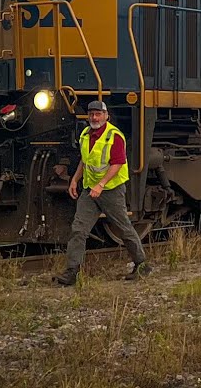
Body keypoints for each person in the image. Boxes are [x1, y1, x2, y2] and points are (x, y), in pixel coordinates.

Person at [54, 100, 151, 285]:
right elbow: (85, 160)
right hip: (90, 190)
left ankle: (141, 264)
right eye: (91, 114)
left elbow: (117, 164)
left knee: (123, 228)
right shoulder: (84, 134)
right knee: (78, 230)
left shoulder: (114, 136)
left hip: (111, 190)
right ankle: (71, 273)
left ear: (106, 116)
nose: (94, 117)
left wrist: (102, 184)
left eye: (98, 114)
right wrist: (75, 180)